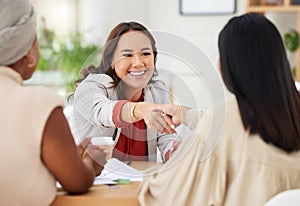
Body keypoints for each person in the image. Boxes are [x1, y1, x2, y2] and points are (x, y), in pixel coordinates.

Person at [138, 13, 300, 205]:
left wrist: (174, 165)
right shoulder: (288, 112)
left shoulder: (223, 121)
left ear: (225, 67)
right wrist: (191, 117)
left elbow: (168, 195)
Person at [0, 1, 107, 205]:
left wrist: (67, 155)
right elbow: (76, 181)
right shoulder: (39, 103)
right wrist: (91, 163)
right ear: (30, 55)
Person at [72, 22, 181, 162]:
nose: (138, 63)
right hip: (93, 180)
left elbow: (166, 137)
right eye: (127, 55)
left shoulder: (157, 92)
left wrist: (176, 150)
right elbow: (102, 111)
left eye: (146, 53)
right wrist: (141, 109)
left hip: (139, 180)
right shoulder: (92, 86)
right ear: (111, 61)